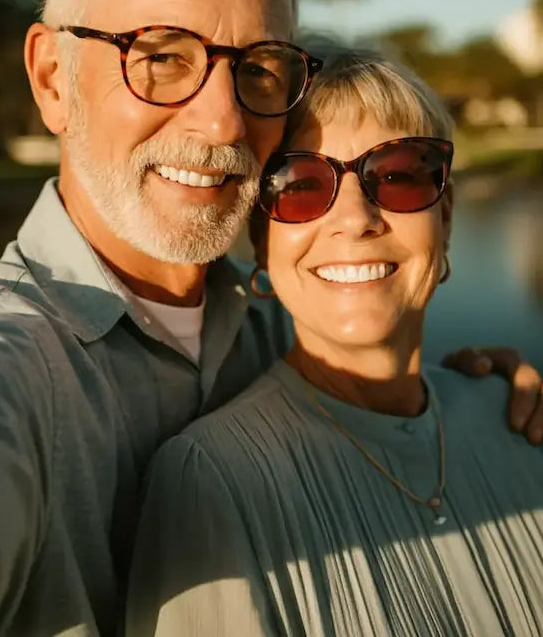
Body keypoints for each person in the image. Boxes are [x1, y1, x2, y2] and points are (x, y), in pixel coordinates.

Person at [0, 0, 538, 637]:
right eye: (159, 55)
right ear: (54, 79)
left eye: (256, 67)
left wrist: (467, 403)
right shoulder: (8, 361)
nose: (224, 120)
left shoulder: (262, 317)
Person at [128, 49, 543, 637]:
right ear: (261, 239)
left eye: (398, 174)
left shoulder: (519, 421)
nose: (356, 218)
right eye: (300, 184)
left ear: (445, 217)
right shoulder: (213, 483)